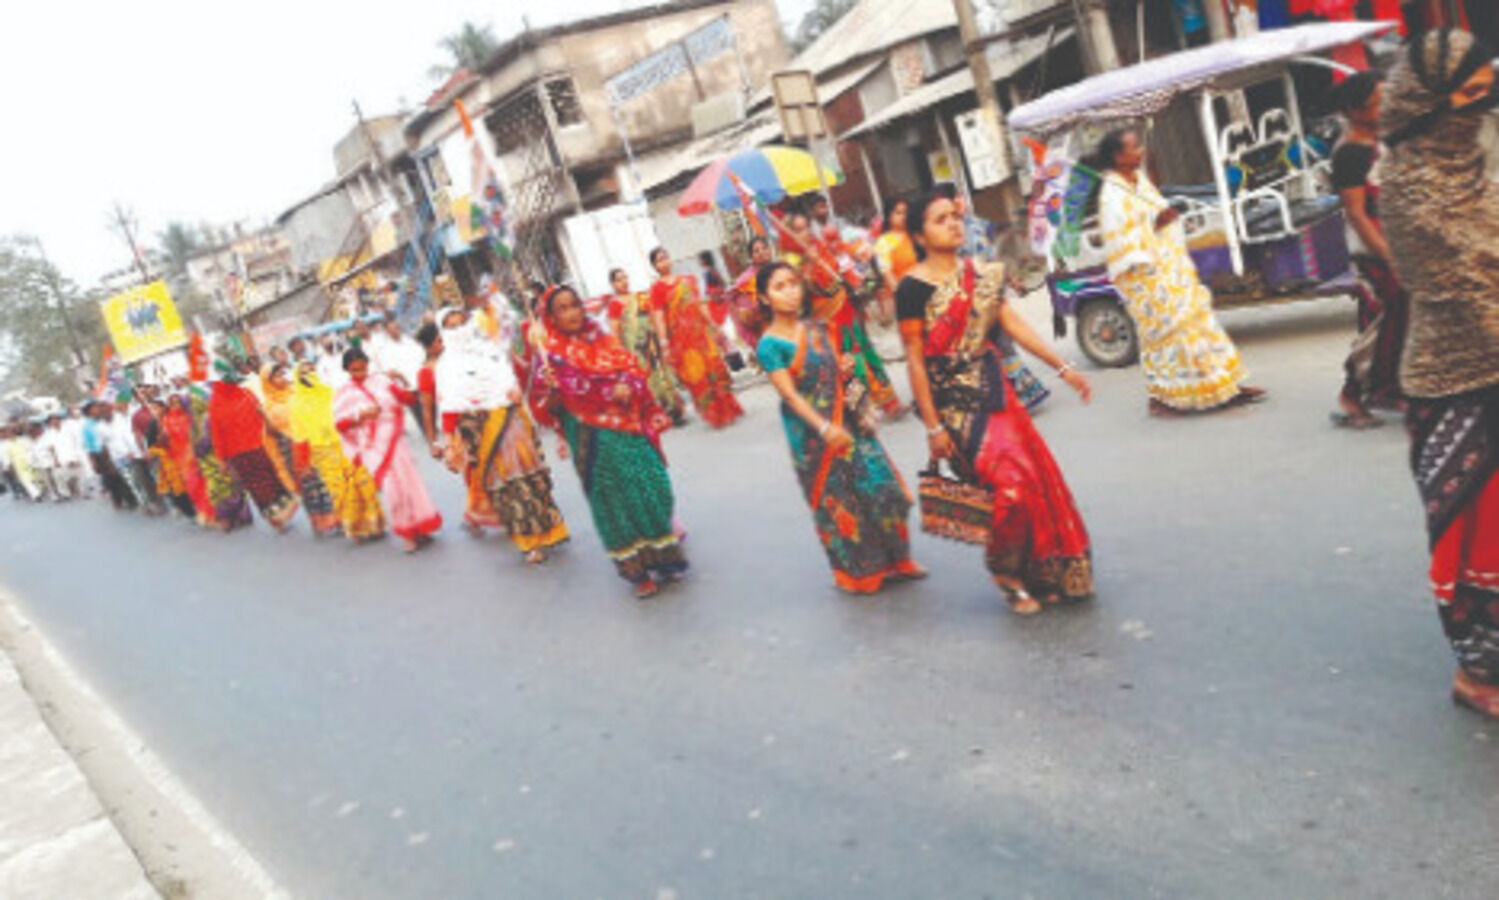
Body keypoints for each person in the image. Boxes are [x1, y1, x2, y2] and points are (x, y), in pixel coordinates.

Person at [897, 191, 1094, 614]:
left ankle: (1040, 574)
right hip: (952, 404)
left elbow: (1012, 324)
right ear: (919, 233)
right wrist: (932, 426)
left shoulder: (980, 275)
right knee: (1007, 490)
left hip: (994, 390)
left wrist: (1061, 367)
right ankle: (1004, 569)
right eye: (939, 219)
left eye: (954, 216)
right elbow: (914, 358)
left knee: (1029, 482)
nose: (952, 223)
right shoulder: (911, 289)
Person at [1379, 27, 1499, 717]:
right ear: (1428, 101)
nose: (1477, 114)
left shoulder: (1470, 165)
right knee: (1475, 539)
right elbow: (1467, 289)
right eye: (1468, 98)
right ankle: (1477, 676)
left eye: (1485, 97)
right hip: (1453, 385)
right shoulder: (1408, 186)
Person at [756, 262, 925, 593]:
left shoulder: (817, 328)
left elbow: (842, 370)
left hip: (849, 422)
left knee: (882, 488)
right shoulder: (769, 345)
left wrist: (862, 405)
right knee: (841, 502)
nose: (790, 291)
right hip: (813, 435)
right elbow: (789, 396)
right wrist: (823, 428)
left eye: (793, 283)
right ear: (764, 298)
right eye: (779, 286)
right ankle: (861, 571)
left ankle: (898, 558)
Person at [1095, 129, 1267, 416]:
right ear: (1118, 156)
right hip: (1145, 277)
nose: (1141, 150)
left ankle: (1225, 385)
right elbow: (1120, 240)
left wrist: (1164, 216)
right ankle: (1162, 399)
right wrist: (1154, 223)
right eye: (1134, 147)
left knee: (1201, 323)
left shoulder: (1138, 181)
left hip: (1170, 267)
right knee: (1167, 335)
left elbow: (1156, 208)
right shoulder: (1111, 194)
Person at [537, 285, 689, 598]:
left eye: (574, 305)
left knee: (652, 484)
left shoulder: (604, 340)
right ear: (551, 317)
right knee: (614, 501)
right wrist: (553, 390)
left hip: (628, 427)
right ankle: (637, 571)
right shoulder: (551, 358)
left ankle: (664, 557)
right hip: (589, 440)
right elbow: (546, 411)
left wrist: (626, 385)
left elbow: (633, 369)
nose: (571, 314)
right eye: (562, 309)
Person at [432, 307, 569, 561]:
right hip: (478, 429)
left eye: (461, 322)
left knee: (531, 476)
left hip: (510, 418)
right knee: (506, 486)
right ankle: (529, 543)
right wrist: (450, 442)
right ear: (444, 332)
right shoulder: (445, 367)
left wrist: (515, 391)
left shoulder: (490, 352)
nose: (459, 330)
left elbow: (509, 380)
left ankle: (550, 530)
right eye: (451, 326)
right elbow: (449, 406)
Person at [1327, 71, 1408, 429]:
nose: (1384, 107)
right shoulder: (1350, 153)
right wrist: (1388, 254)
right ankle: (1352, 396)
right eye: (1376, 103)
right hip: (1373, 249)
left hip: (1399, 242)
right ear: (1354, 110)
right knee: (1379, 324)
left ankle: (1388, 388)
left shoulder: (1383, 140)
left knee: (1404, 319)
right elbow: (1358, 215)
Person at [784, 214, 905, 420]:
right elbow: (800, 300)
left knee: (866, 355)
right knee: (845, 364)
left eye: (805, 227)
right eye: (797, 229)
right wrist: (807, 275)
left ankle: (888, 401)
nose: (803, 233)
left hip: (847, 312)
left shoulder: (823, 248)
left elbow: (839, 276)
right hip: (826, 322)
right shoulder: (792, 266)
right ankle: (859, 408)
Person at [334, 348, 441, 552]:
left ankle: (422, 527)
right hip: (372, 447)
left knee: (411, 485)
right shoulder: (344, 393)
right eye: (354, 370)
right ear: (347, 370)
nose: (360, 373)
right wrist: (360, 415)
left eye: (362, 367)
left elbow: (408, 399)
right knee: (393, 490)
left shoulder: (381, 381)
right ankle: (407, 533)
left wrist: (399, 381)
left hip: (395, 441)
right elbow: (340, 424)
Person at [648, 247, 745, 429]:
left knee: (715, 369)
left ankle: (729, 408)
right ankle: (714, 414)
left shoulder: (688, 280)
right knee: (697, 376)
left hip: (700, 333)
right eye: (659, 260)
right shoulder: (656, 289)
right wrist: (664, 342)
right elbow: (659, 317)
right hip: (681, 340)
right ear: (654, 266)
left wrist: (714, 326)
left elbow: (700, 305)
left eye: (665, 257)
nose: (664, 262)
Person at [209, 363, 300, 532]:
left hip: (260, 445)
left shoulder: (246, 393)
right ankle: (274, 518)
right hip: (239, 454)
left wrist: (270, 427)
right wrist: (221, 460)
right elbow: (217, 434)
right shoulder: (216, 405)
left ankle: (281, 513)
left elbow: (261, 412)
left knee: (271, 481)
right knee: (258, 487)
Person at [262, 363, 340, 537]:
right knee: (308, 485)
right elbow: (272, 431)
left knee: (324, 481)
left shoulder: (296, 392)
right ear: (268, 381)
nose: (282, 378)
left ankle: (334, 518)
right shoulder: (268, 404)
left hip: (312, 440)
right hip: (290, 447)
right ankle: (318, 522)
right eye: (276, 376)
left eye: (282, 373)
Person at [291, 361, 366, 541]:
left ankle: (368, 523)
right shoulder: (296, 403)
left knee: (356, 482)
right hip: (321, 450)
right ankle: (352, 527)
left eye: (312, 370)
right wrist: (303, 461)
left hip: (342, 442)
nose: (310, 374)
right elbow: (299, 435)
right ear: (298, 378)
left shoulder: (329, 392)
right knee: (338, 488)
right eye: (305, 373)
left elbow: (344, 414)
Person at [606, 268, 686, 425]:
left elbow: (653, 315)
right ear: (613, 284)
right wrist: (621, 353)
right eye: (619, 280)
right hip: (636, 349)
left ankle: (676, 409)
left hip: (652, 341)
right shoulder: (614, 305)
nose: (624, 282)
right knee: (649, 380)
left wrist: (661, 337)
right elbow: (615, 332)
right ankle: (663, 411)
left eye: (625, 277)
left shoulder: (640, 297)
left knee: (664, 374)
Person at [83, 402, 137, 511]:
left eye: (98, 407)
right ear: (89, 412)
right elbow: (88, 445)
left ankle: (130, 500)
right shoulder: (87, 426)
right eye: (95, 408)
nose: (98, 409)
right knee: (111, 479)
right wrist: (93, 460)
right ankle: (118, 501)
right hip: (100, 454)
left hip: (112, 453)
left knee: (119, 476)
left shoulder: (103, 421)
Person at [724, 237, 775, 350]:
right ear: (751, 257)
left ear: (770, 250)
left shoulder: (778, 269)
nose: (761, 252)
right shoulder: (747, 281)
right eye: (756, 251)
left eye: (764, 248)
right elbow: (747, 314)